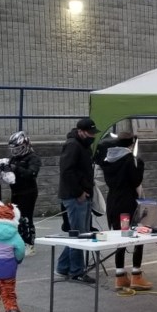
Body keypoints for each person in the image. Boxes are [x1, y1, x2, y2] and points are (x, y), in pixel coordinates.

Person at [98, 131, 153, 291]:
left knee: (120, 237)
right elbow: (135, 180)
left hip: (113, 202)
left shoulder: (108, 159)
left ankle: (120, 276)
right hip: (128, 203)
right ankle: (136, 274)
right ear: (131, 144)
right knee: (138, 234)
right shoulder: (129, 159)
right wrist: (140, 165)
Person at [55, 117, 99, 283]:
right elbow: (67, 171)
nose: (92, 136)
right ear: (80, 131)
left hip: (83, 194)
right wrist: (79, 192)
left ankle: (63, 266)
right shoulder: (73, 145)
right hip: (75, 196)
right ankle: (76, 271)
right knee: (79, 235)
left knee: (80, 232)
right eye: (89, 133)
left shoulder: (82, 145)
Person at [5, 131, 42, 255]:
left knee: (26, 218)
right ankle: (18, 241)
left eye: (18, 149)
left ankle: (29, 244)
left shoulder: (33, 158)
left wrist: (17, 168)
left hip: (28, 191)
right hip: (16, 191)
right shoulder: (14, 158)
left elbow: (32, 173)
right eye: (13, 149)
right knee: (16, 218)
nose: (15, 152)